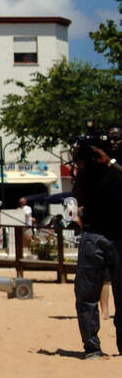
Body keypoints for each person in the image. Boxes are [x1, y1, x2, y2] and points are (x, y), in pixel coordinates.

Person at [72, 133, 122, 358]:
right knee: (86, 295)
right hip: (93, 233)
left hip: (120, 236)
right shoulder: (88, 169)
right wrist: (81, 168)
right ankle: (92, 347)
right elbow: (77, 198)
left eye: (117, 138)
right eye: (109, 139)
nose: (113, 143)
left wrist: (110, 163)